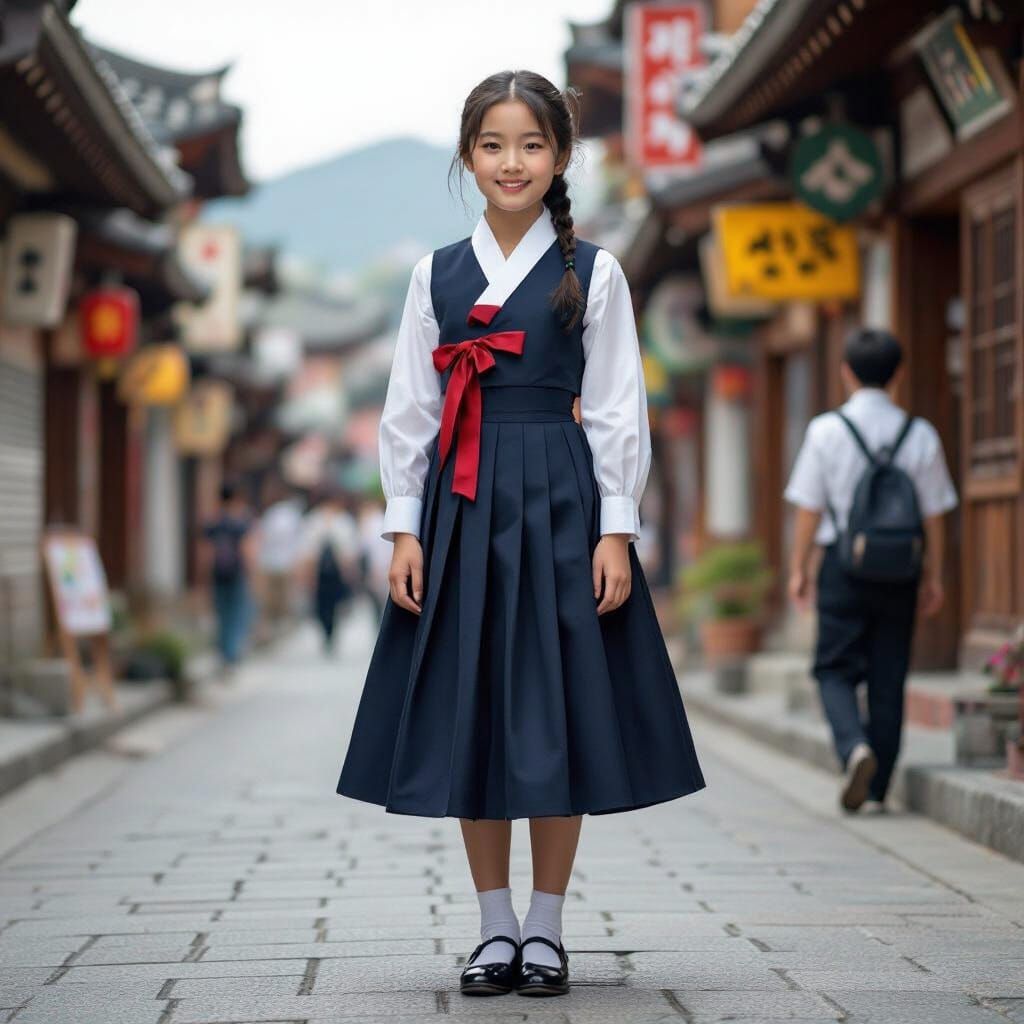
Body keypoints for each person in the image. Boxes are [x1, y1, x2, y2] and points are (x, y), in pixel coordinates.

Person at [335, 70, 706, 999]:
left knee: (558, 712)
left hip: (561, 504)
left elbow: (620, 408)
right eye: (494, 145)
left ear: (561, 158)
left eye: (532, 145)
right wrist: (401, 529)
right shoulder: (435, 274)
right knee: (474, 709)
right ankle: (493, 926)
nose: (512, 162)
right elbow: (409, 413)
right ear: (468, 156)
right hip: (460, 507)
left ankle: (547, 926)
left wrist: (615, 530)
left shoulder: (598, 272)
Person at [785, 327, 958, 815]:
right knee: (889, 669)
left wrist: (800, 569)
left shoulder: (826, 430)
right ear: (899, 375)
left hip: (843, 563)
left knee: (833, 666)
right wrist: (933, 574)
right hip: (901, 569)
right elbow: (934, 515)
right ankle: (879, 783)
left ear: (846, 373)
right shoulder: (920, 433)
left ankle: (852, 747)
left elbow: (808, 508)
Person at [202, 481, 255, 673]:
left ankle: (224, 652)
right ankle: (231, 654)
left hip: (218, 574)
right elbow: (247, 550)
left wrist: (205, 576)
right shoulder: (241, 522)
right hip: (237, 574)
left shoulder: (213, 522)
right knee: (237, 613)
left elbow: (207, 553)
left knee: (222, 614)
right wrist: (252, 574)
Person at [300, 485, 360, 654]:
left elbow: (349, 551)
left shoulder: (339, 521)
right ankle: (327, 632)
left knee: (330, 604)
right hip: (321, 572)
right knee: (323, 605)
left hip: (333, 572)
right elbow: (308, 551)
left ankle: (330, 633)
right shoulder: (318, 521)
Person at [256, 479, 304, 632]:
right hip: (279, 562)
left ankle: (277, 629)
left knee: (277, 601)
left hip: (277, 563)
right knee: (278, 601)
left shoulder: (277, 514)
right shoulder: (285, 514)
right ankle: (278, 629)